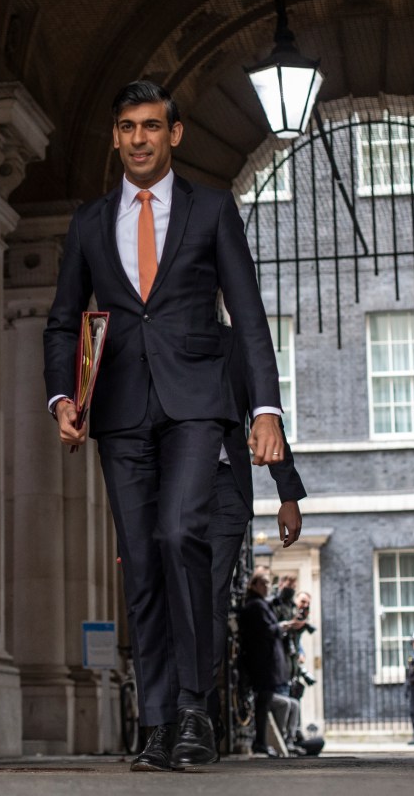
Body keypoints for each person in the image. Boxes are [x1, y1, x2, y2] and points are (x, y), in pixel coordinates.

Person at [44, 80, 285, 771]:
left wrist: (265, 410)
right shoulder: (90, 222)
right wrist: (62, 397)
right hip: (120, 409)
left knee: (181, 535)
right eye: (128, 127)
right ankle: (155, 723)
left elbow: (248, 313)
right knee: (142, 561)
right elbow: (63, 320)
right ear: (116, 136)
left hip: (197, 403)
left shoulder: (211, 209)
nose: (140, 138)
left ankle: (193, 707)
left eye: (152, 125)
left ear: (173, 134)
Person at [208, 324, 305, 741]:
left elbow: (266, 418)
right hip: (170, 487)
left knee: (210, 598)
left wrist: (288, 494)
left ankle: (201, 712)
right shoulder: (156, 335)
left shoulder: (235, 344)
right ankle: (169, 714)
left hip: (226, 485)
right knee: (172, 598)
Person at [236, 568, 289, 756]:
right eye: (264, 583)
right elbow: (265, 631)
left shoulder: (258, 604)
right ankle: (260, 743)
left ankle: (261, 742)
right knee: (262, 702)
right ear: (255, 585)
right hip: (262, 661)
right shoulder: (256, 605)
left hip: (263, 660)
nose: (267, 586)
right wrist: (281, 627)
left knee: (264, 702)